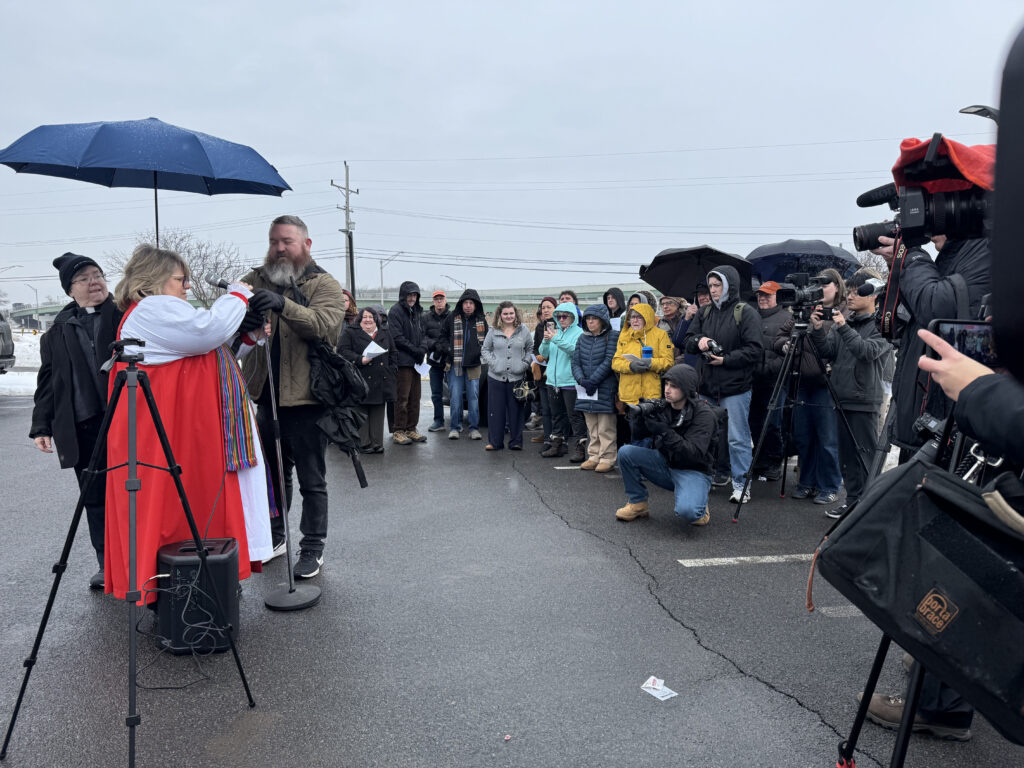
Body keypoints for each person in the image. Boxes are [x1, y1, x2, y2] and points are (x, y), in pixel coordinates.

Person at [106, 244, 273, 603]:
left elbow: (208, 352)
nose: (187, 288)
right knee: (179, 509)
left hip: (184, 427)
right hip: (175, 431)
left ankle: (207, 580)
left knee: (190, 508)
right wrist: (239, 295)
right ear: (154, 280)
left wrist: (245, 335)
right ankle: (186, 588)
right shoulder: (151, 308)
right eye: (181, 280)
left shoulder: (157, 311)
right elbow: (206, 333)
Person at [241, 215, 345, 579]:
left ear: (306, 244)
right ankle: (276, 536)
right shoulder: (254, 280)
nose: (280, 248)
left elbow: (324, 325)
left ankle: (313, 546)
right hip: (265, 396)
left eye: (287, 241)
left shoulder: (325, 283)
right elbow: (231, 315)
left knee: (312, 479)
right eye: (274, 241)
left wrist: (284, 305)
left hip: (309, 398)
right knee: (271, 476)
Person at [30, 253, 122, 589]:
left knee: (135, 491)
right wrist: (41, 425)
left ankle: (143, 558)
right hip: (84, 426)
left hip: (125, 421)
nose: (94, 281)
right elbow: (48, 382)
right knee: (94, 499)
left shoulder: (125, 316)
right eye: (83, 278)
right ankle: (107, 563)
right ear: (70, 290)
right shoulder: (55, 332)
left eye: (97, 274)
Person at [873, 234, 990, 457]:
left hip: (950, 431)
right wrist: (898, 265)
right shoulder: (949, 258)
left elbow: (936, 307)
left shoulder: (986, 249)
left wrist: (911, 256)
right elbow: (899, 323)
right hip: (921, 422)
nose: (929, 229)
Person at [810, 270, 891, 518]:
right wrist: (816, 330)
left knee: (865, 457)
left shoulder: (882, 326)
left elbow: (866, 351)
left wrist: (843, 327)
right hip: (841, 396)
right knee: (846, 457)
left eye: (857, 292)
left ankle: (867, 507)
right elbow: (828, 351)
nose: (851, 296)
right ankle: (852, 502)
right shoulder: (846, 322)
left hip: (865, 399)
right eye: (850, 291)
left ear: (873, 295)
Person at [684, 266, 763, 503]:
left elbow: (755, 349)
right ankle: (705, 478)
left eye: (718, 285)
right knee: (705, 435)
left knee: (737, 438)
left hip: (736, 387)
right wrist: (700, 341)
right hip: (707, 386)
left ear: (729, 285)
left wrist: (726, 360)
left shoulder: (745, 312)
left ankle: (741, 485)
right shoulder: (704, 312)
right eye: (711, 285)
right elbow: (687, 340)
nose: (713, 290)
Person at [772, 269, 846, 505]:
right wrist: (785, 346)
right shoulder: (804, 311)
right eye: (817, 284)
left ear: (837, 286)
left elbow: (844, 345)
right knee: (804, 437)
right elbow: (779, 337)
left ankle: (830, 486)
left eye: (825, 284)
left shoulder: (842, 313)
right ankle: (807, 482)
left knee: (827, 439)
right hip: (800, 382)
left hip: (825, 385)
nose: (820, 289)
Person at [614, 364, 716, 525]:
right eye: (666, 384)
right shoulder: (663, 406)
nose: (667, 390)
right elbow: (639, 435)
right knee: (626, 452)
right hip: (665, 463)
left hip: (693, 470)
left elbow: (693, 453)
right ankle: (638, 503)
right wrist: (641, 420)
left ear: (687, 388)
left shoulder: (703, 414)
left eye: (674, 386)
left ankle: (700, 505)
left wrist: (664, 431)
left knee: (689, 512)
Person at [337, 307, 396, 454]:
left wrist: (392, 369)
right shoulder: (351, 332)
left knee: (378, 411)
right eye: (365, 317)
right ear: (360, 319)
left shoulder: (385, 332)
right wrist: (360, 360)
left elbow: (393, 353)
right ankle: (364, 443)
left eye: (371, 317)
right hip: (360, 377)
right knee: (361, 411)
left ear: (376, 319)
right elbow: (342, 351)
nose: (368, 320)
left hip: (381, 379)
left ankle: (377, 443)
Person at [747, 281, 789, 482]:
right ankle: (760, 459)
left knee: (772, 423)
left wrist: (771, 368)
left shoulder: (787, 318)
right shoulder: (751, 316)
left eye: (768, 295)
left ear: (777, 297)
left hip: (776, 379)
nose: (762, 298)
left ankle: (774, 461)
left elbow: (789, 353)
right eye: (760, 295)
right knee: (754, 422)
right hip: (753, 379)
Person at [571, 304, 619, 472]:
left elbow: (609, 360)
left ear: (602, 320)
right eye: (588, 319)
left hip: (605, 387)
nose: (590, 322)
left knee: (606, 426)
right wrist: (582, 380)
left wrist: (594, 380)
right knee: (591, 425)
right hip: (586, 388)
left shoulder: (612, 336)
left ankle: (607, 457)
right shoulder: (582, 338)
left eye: (594, 319)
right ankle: (594, 455)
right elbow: (575, 362)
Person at [480, 301, 533, 450]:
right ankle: (495, 442)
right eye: (505, 314)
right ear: (500, 315)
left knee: (516, 411)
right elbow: (485, 350)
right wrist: (494, 363)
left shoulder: (523, 330)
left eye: (511, 313)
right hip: (496, 377)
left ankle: (516, 441)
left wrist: (524, 363)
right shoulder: (493, 331)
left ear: (515, 314)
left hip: (517, 378)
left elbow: (530, 348)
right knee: (495, 411)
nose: (509, 316)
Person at [538, 302, 585, 459]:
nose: (561, 319)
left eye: (565, 316)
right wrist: (546, 340)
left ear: (572, 317)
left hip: (570, 381)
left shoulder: (579, 333)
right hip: (553, 381)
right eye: (558, 316)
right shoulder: (555, 332)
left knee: (574, 416)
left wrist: (555, 339)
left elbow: (574, 350)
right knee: (557, 415)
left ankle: (580, 447)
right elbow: (543, 353)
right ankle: (558, 445)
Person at [440, 288, 487, 440]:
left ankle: (474, 428)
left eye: (471, 303)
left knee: (473, 397)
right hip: (454, 365)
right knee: (455, 397)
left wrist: (478, 354)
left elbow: (486, 342)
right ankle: (455, 427)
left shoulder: (481, 320)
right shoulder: (452, 318)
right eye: (465, 302)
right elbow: (442, 337)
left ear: (476, 305)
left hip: (474, 365)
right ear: (461, 304)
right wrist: (448, 350)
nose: (468, 305)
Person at [386, 281, 428, 445]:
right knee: (401, 398)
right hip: (403, 361)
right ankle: (399, 430)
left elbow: (425, 334)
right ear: (403, 295)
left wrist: (422, 348)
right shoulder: (396, 311)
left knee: (415, 397)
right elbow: (396, 337)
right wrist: (415, 350)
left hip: (416, 362)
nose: (412, 298)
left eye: (415, 295)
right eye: (410, 295)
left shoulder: (418, 311)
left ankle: (411, 428)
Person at [612, 303, 674, 410]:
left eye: (639, 317)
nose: (635, 320)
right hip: (629, 396)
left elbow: (668, 362)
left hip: (651, 395)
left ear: (647, 318)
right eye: (632, 317)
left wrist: (650, 363)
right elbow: (615, 363)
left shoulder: (660, 335)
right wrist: (630, 366)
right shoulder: (624, 336)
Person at [531, 298, 558, 448]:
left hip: (557, 373)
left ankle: (559, 439)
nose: (545, 310)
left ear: (556, 308)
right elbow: (536, 347)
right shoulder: (540, 327)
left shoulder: (561, 326)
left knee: (557, 410)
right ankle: (547, 438)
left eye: (549, 307)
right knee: (546, 409)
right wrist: (537, 358)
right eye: (543, 308)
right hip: (543, 374)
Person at [423, 289, 451, 432]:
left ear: (445, 300)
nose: (439, 301)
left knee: (455, 392)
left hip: (450, 361)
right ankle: (438, 421)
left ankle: (455, 423)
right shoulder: (426, 317)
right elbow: (422, 337)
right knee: (436, 393)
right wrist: (434, 345)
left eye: (441, 298)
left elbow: (455, 336)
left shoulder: (452, 316)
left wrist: (445, 347)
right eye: (436, 299)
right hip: (434, 360)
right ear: (433, 301)